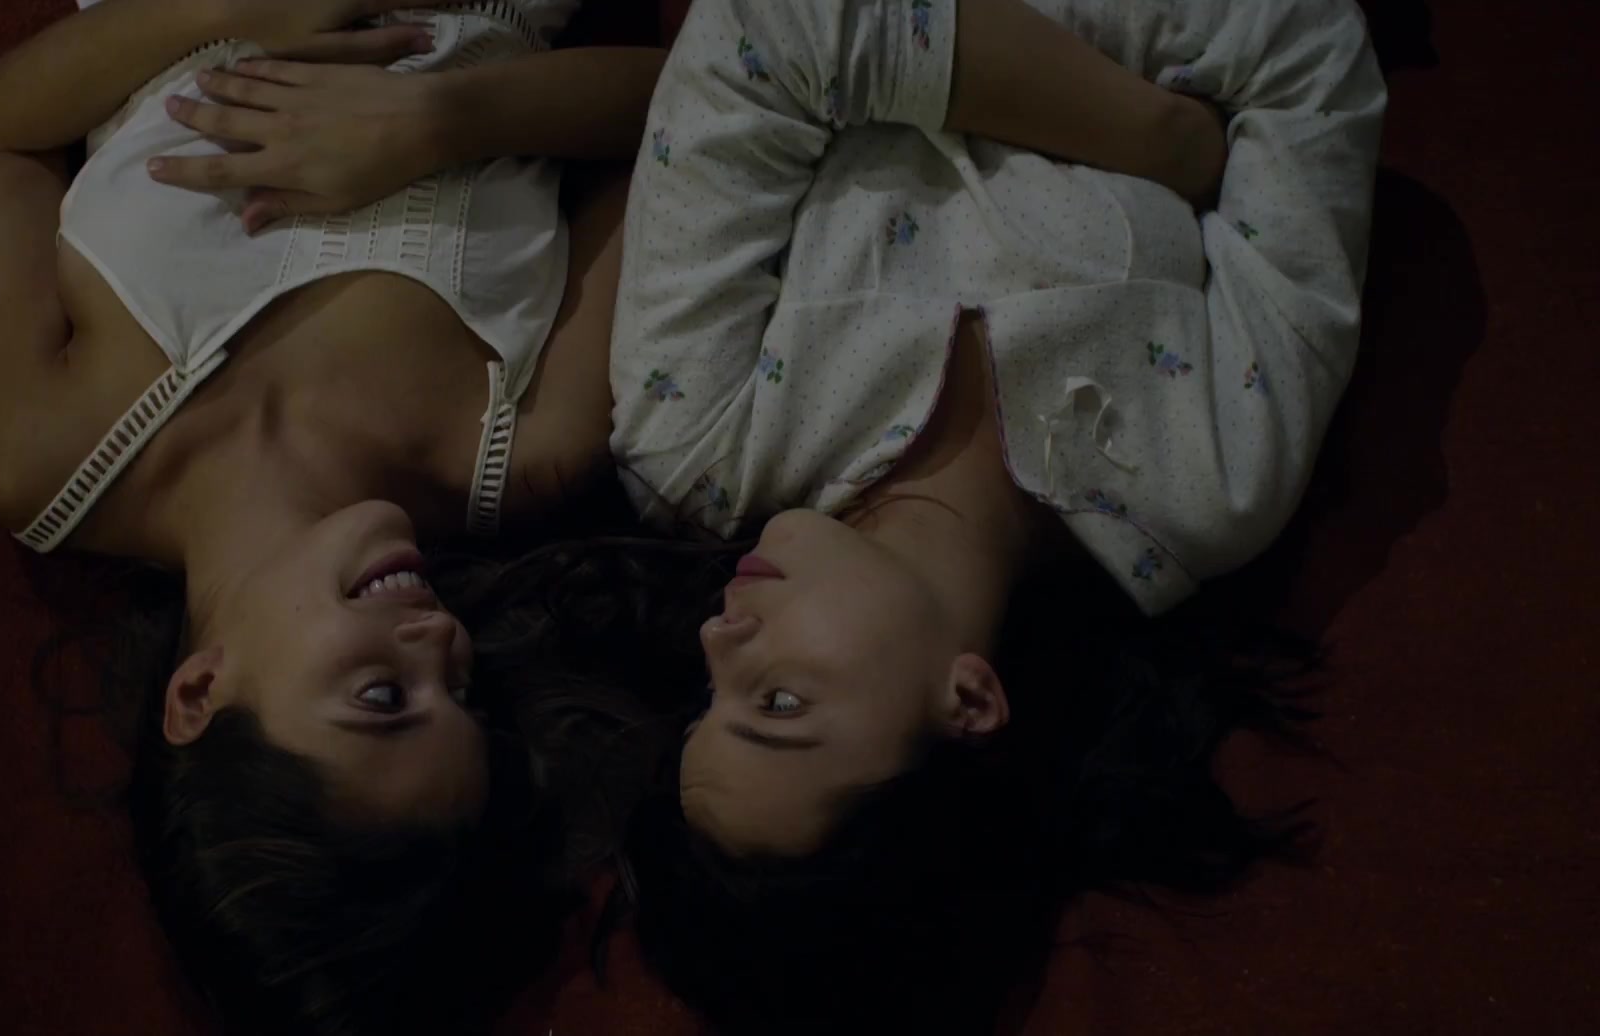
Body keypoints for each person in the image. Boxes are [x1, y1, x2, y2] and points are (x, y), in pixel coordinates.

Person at [593, 0, 1387, 1031]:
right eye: (777, 701)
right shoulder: (1215, 478)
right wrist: (1116, 103)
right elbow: (1309, 52)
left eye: (709, 695)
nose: (718, 635)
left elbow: (760, 26)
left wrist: (1154, 135)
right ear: (968, 703)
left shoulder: (697, 452)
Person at [0, 0, 666, 1031]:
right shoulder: (520, 444)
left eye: (384, 695)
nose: (443, 641)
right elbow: (682, 107)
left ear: (200, 692)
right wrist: (450, 120)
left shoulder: (46, 457)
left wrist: (240, 10)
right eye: (464, 693)